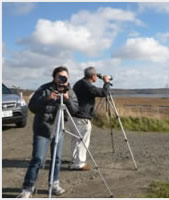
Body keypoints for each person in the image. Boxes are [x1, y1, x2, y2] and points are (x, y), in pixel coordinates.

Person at [17, 66, 78, 198]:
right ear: (54, 78)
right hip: (42, 129)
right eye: (60, 77)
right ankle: (28, 188)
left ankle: (54, 184)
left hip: (59, 129)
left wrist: (67, 99)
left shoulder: (70, 92)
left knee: (57, 159)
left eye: (65, 77)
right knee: (38, 159)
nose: (62, 80)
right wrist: (47, 98)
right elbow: (32, 107)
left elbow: (74, 111)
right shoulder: (45, 89)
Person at [70, 66, 111, 170]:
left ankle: (75, 160)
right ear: (93, 76)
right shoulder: (87, 85)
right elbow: (103, 93)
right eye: (96, 75)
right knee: (83, 140)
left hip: (74, 116)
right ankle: (79, 164)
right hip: (82, 117)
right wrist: (106, 82)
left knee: (75, 139)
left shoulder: (79, 83)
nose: (97, 76)